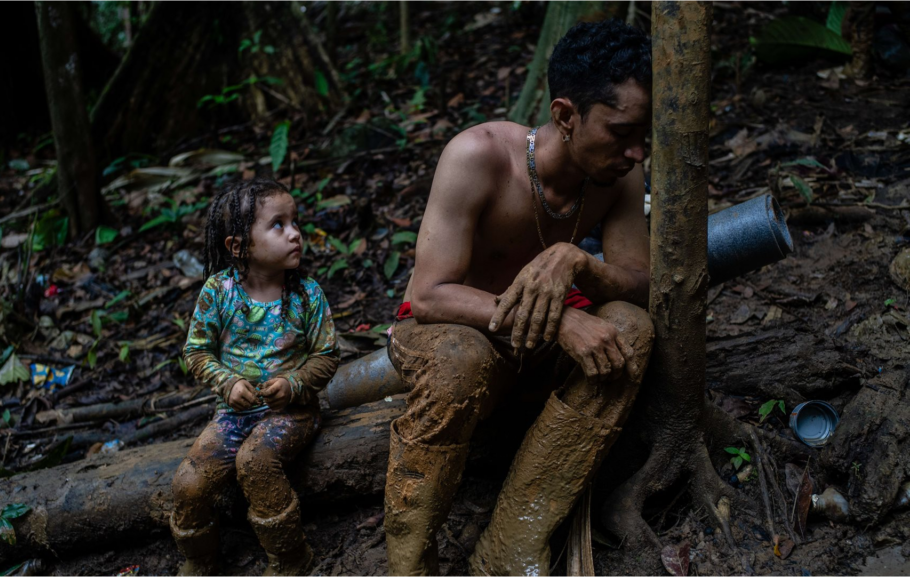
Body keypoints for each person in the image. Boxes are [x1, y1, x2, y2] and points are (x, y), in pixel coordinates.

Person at [384, 20, 656, 576]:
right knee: (462, 359)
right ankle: (409, 565)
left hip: (534, 346)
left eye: (644, 134)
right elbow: (429, 295)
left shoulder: (619, 173)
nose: (636, 151)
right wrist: (556, 321)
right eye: (622, 131)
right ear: (564, 115)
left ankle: (511, 543)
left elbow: (640, 280)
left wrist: (581, 262)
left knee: (631, 330)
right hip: (455, 331)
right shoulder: (477, 155)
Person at [170, 179, 339, 577]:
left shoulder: (307, 295)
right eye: (278, 225)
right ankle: (199, 557)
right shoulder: (218, 292)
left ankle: (290, 556)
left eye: (294, 221)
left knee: (256, 461)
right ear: (239, 246)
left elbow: (327, 355)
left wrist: (294, 384)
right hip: (233, 415)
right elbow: (196, 351)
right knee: (188, 483)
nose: (295, 233)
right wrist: (228, 383)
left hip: (293, 412)